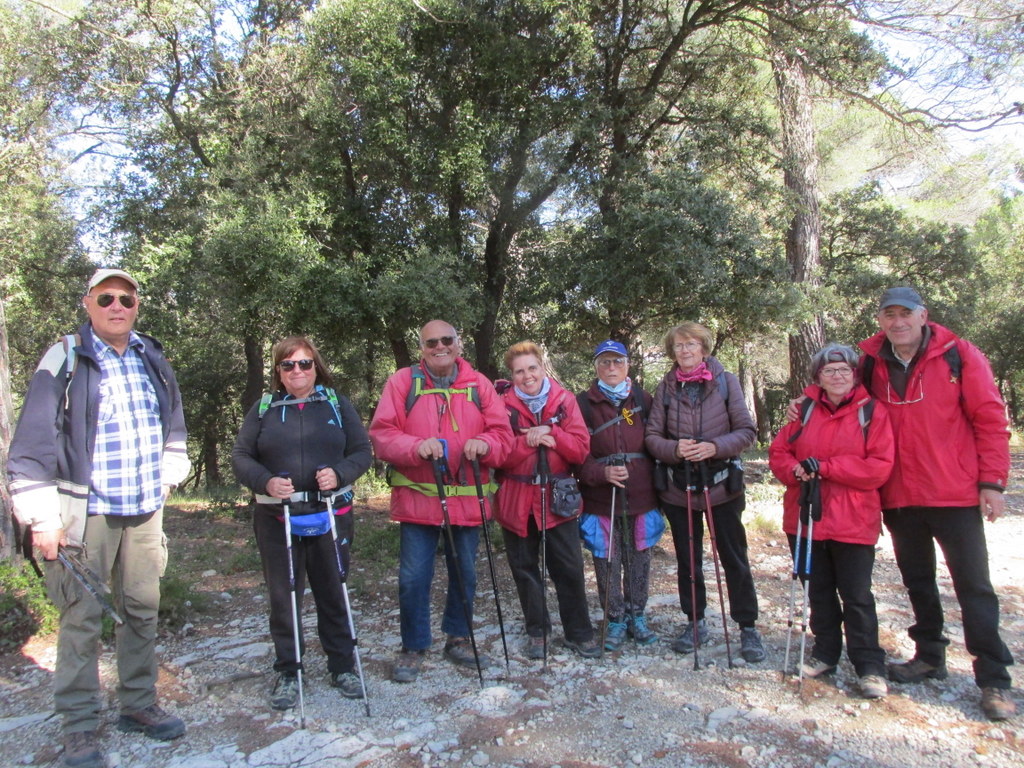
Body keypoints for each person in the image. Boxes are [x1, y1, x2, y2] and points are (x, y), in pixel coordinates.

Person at [7, 268, 191, 768]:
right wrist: (41, 517)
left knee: (141, 609)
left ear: (137, 306)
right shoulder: (66, 356)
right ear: (88, 303)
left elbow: (173, 425)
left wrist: (168, 476)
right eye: (106, 297)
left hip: (144, 507)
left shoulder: (152, 355)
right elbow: (30, 446)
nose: (117, 306)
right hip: (83, 513)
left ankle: (138, 703)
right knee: (82, 617)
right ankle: (80, 725)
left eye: (126, 299)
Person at [857, 286, 1014, 720]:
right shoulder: (871, 362)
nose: (897, 322)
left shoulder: (958, 355)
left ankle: (994, 679)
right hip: (900, 493)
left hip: (954, 491)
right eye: (889, 315)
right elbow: (841, 397)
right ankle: (930, 656)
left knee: (974, 586)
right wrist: (801, 407)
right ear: (880, 320)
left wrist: (992, 482)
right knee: (918, 581)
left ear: (923, 315)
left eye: (905, 314)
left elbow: (989, 418)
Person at [232, 336, 373, 708]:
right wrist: (265, 481)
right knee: (284, 597)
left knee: (334, 590)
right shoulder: (263, 407)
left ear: (316, 366)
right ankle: (289, 671)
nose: (297, 371)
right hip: (277, 516)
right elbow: (241, 455)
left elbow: (362, 451)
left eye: (304, 363)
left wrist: (340, 474)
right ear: (278, 370)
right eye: (288, 364)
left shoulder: (335, 404)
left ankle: (342, 666)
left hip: (330, 513)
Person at [369, 321, 513, 682]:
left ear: (458, 344)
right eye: (431, 342)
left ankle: (458, 638)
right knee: (413, 577)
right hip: (419, 500)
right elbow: (382, 435)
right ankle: (414, 645)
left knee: (464, 574)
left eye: (447, 340)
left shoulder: (479, 384)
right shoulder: (403, 382)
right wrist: (416, 447)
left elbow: (503, 436)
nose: (439, 346)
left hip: (467, 500)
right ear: (422, 348)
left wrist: (487, 445)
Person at [769, 344, 895, 699]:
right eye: (829, 371)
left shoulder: (872, 413)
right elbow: (779, 451)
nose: (837, 377)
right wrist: (794, 470)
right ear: (818, 377)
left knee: (856, 596)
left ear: (855, 374)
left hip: (853, 518)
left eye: (844, 371)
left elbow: (878, 468)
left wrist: (824, 467)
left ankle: (869, 665)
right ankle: (825, 652)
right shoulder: (803, 410)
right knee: (819, 592)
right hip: (806, 517)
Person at [645, 322, 766, 663]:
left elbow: (746, 431)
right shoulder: (666, 388)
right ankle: (695, 621)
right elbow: (652, 437)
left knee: (734, 558)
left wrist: (714, 447)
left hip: (721, 485)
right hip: (678, 486)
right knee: (688, 560)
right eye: (678, 346)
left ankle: (747, 626)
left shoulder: (726, 382)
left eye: (691, 344)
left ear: (704, 347)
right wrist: (674, 449)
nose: (684, 350)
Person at [495, 341, 600, 659]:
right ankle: (537, 631)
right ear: (511, 375)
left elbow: (581, 449)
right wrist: (529, 440)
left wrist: (552, 435)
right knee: (524, 567)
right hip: (517, 497)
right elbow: (498, 455)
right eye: (519, 371)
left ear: (542, 367)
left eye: (532, 368)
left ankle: (579, 632)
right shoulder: (501, 404)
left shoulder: (564, 400)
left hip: (559, 498)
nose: (527, 376)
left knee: (568, 566)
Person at [577, 340, 665, 652]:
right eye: (604, 362)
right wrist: (600, 474)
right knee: (606, 558)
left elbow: (658, 439)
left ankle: (637, 615)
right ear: (596, 366)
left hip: (642, 495)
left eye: (617, 361)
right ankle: (614, 618)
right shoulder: (582, 404)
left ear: (628, 365)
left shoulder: (644, 399)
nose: (611, 367)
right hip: (600, 497)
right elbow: (575, 453)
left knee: (640, 556)